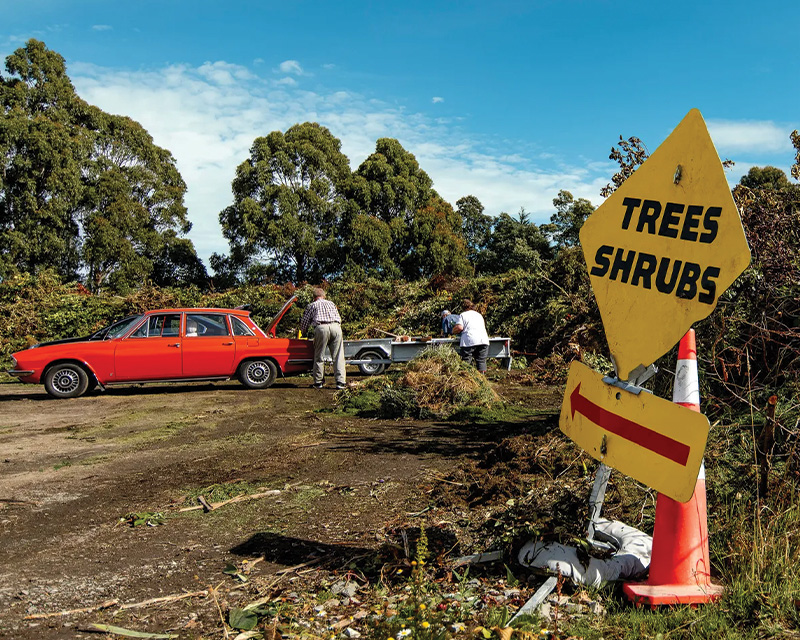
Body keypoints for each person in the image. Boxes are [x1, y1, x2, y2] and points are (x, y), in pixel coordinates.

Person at [300, 288, 346, 390]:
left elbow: (305, 321)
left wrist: (303, 332)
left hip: (321, 328)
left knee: (319, 356)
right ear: (324, 296)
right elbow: (339, 317)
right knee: (338, 356)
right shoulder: (331, 303)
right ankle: (340, 382)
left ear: (314, 297)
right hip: (336, 327)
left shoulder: (312, 305)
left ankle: (318, 382)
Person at [451, 299, 490, 373]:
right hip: (483, 340)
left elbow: (459, 327)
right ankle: (481, 380)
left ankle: (467, 379)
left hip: (469, 340)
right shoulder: (479, 315)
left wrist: (453, 331)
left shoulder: (463, 315)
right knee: (481, 361)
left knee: (466, 361)